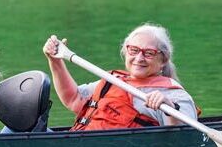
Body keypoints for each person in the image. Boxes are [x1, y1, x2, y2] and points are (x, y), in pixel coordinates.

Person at [43, 23, 197, 130]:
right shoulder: (112, 80)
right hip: (80, 144)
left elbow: (186, 139)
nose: (139, 58)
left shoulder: (174, 94)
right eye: (134, 50)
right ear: (126, 52)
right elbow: (73, 99)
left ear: (163, 60)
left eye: (149, 53)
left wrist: (169, 107)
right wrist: (55, 61)